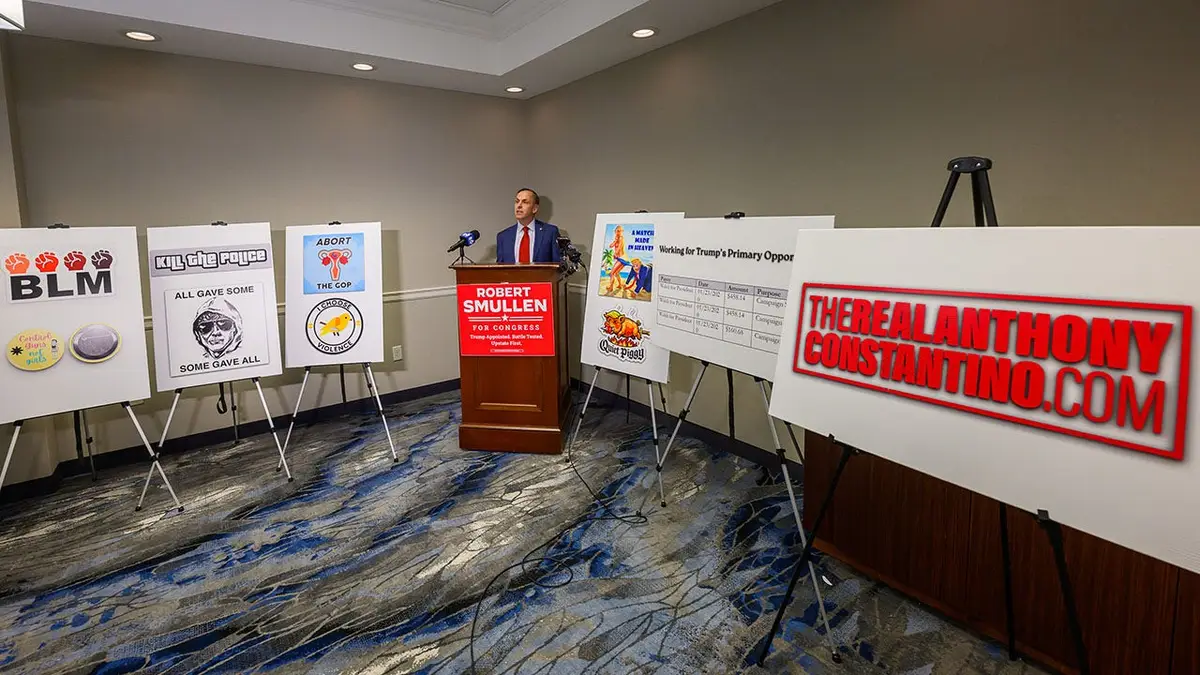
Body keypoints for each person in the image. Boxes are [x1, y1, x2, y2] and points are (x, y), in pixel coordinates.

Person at [496, 188, 562, 264]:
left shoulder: (550, 232)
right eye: (517, 201)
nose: (519, 205)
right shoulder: (503, 236)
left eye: (525, 202)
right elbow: (500, 269)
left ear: (534, 208)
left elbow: (557, 266)